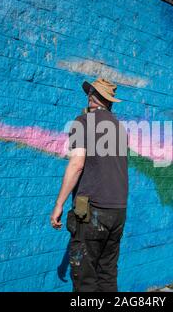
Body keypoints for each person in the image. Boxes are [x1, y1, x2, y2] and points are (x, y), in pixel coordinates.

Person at [50, 78, 129, 292]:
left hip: (94, 210)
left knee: (85, 280)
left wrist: (59, 204)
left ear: (91, 96)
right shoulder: (120, 128)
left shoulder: (83, 122)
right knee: (107, 275)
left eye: (89, 93)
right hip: (118, 211)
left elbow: (77, 164)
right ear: (109, 101)